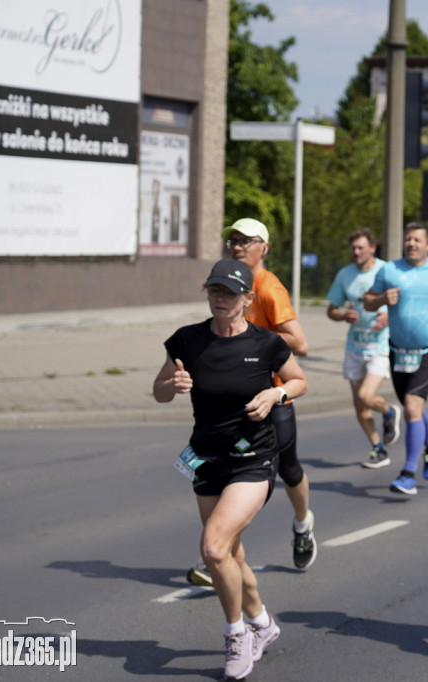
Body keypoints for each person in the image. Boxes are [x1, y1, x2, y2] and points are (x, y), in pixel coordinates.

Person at [153, 259, 308, 681]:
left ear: (247, 298)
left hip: (253, 458)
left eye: (229, 292)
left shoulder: (266, 343)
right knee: (231, 553)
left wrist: (275, 395)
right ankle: (262, 623)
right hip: (206, 458)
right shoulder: (187, 340)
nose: (221, 298)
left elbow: (298, 381)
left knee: (214, 548)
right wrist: (172, 386)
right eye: (214, 290)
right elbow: (159, 392)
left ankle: (236, 635)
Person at [223, 217, 317, 571]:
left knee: (287, 470)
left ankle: (302, 523)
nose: (236, 247)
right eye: (232, 241)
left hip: (274, 395)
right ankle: (222, 546)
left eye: (245, 241)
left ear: (263, 248)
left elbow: (300, 343)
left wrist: (253, 336)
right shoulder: (228, 285)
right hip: (236, 398)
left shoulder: (267, 287)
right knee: (234, 471)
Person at [364, 222, 428, 496]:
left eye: (417, 240)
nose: (411, 243)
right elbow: (367, 301)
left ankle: (408, 474)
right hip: (397, 352)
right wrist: (382, 298)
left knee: (411, 407)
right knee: (413, 409)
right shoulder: (389, 270)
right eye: (408, 239)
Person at [326, 228, 401, 469]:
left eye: (361, 247)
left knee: (366, 396)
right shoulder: (345, 274)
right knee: (360, 406)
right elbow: (331, 309)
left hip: (379, 345)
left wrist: (389, 318)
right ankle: (378, 449)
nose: (356, 252)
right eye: (353, 248)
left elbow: (404, 302)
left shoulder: (386, 271)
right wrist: (342, 315)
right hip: (354, 346)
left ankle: (389, 412)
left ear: (372, 248)